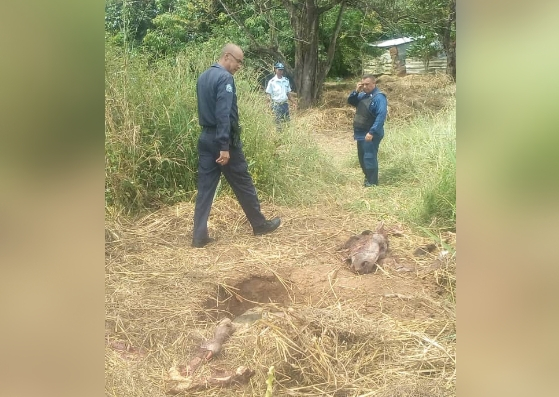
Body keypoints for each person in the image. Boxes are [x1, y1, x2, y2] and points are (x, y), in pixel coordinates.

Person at [192, 43, 281, 248]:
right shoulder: (225, 78)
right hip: (223, 141)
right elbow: (223, 114)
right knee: (243, 182)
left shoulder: (204, 76)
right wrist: (224, 146)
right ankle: (260, 225)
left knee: (205, 189)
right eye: (238, 61)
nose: (239, 66)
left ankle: (199, 236)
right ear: (227, 56)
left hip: (205, 137)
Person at [347, 74, 388, 187]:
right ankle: (368, 179)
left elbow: (381, 116)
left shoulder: (379, 97)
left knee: (369, 157)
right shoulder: (363, 95)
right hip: (360, 133)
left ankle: (372, 183)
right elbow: (351, 101)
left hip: (371, 133)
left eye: (367, 84)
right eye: (363, 84)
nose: (365, 86)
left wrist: (372, 132)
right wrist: (356, 91)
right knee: (362, 157)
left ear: (374, 84)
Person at [265, 62, 296, 130]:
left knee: (287, 122)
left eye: (281, 70)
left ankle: (287, 137)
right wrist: (267, 105)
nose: (280, 71)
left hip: (285, 105)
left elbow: (288, 93)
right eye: (279, 69)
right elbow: (268, 94)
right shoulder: (272, 82)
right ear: (275, 70)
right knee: (278, 124)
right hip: (276, 105)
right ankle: (279, 138)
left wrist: (293, 102)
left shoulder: (286, 81)